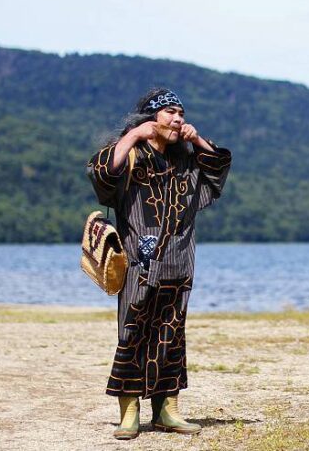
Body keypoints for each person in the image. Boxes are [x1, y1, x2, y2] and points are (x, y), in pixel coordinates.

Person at [86, 88, 231, 440]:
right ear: (151, 118)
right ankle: (129, 411)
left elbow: (218, 169)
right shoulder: (132, 154)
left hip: (180, 262)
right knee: (132, 333)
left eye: (181, 112)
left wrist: (197, 141)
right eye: (169, 112)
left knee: (172, 333)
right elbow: (102, 173)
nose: (178, 118)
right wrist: (135, 134)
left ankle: (168, 410)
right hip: (139, 262)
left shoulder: (186, 161)